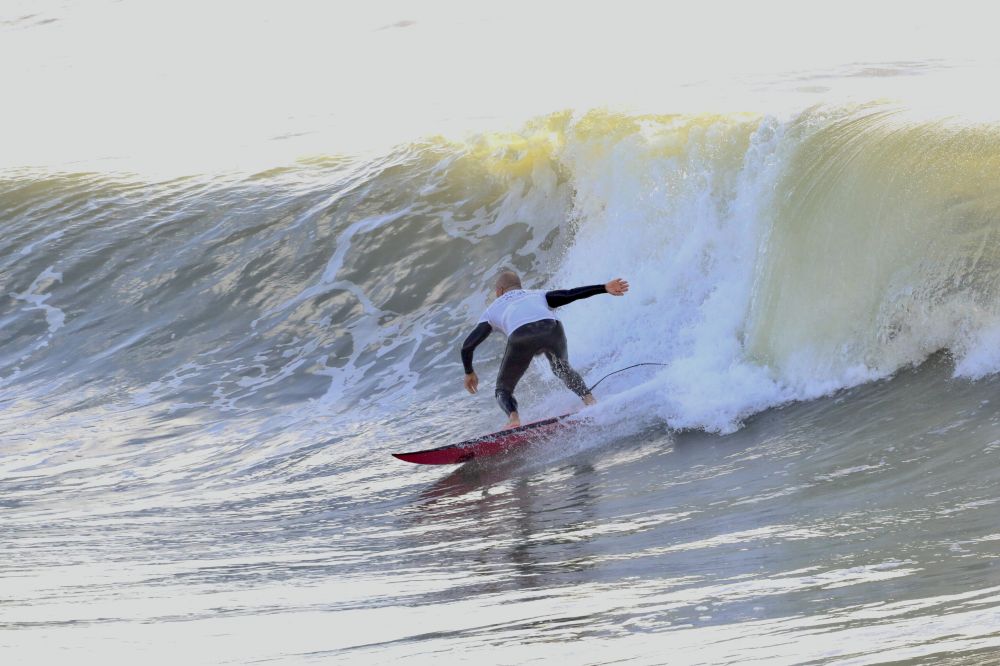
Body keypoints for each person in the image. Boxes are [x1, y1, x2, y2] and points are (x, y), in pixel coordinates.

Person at [461, 270, 630, 428]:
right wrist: (604, 288)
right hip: (552, 329)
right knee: (561, 368)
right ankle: (590, 401)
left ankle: (514, 419)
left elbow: (467, 346)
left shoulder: (493, 309)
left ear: (499, 291)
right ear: (520, 286)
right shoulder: (537, 294)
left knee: (502, 389)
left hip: (521, 337)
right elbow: (570, 294)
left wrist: (469, 372)